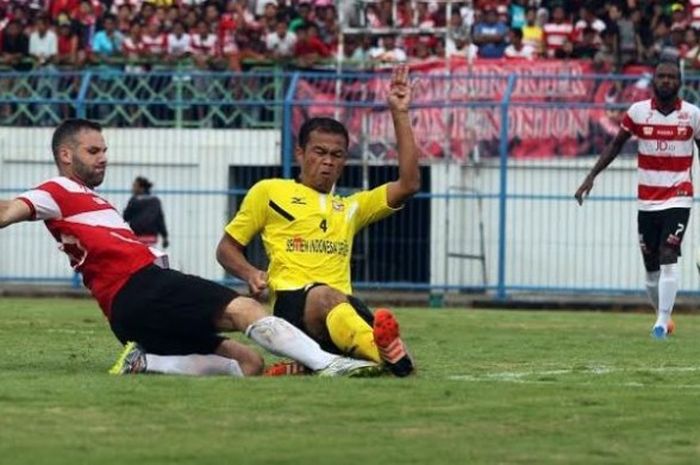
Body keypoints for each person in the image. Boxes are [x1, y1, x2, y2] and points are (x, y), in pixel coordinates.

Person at [0, 119, 378, 378]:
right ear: (66, 156)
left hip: (124, 314)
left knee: (249, 363)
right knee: (246, 309)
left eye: (104, 150)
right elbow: (10, 210)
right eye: (93, 150)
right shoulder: (56, 189)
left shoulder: (87, 199)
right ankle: (330, 364)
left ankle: (146, 362)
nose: (103, 157)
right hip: (142, 286)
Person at [216, 65, 420, 376]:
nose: (327, 162)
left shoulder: (351, 207)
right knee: (327, 297)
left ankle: (311, 365)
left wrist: (400, 113)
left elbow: (409, 185)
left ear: (344, 161)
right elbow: (226, 249)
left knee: (394, 362)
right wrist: (250, 273)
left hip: (343, 308)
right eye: (319, 152)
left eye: (336, 155)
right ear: (300, 152)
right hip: (292, 305)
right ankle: (379, 356)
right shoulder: (270, 191)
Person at [574, 60, 700, 339]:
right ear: (654, 81)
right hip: (647, 199)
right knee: (651, 268)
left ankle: (660, 324)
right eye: (662, 76)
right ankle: (663, 316)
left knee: (669, 256)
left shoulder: (693, 115)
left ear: (679, 82)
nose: (666, 80)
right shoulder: (638, 112)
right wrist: (591, 175)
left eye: (671, 77)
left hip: (679, 196)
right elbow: (615, 145)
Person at [124, 176, 169, 249]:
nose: (132, 189)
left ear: (142, 188)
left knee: (138, 258)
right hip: (151, 238)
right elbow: (160, 220)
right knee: (150, 258)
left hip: (136, 237)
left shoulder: (133, 200)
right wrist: (165, 236)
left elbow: (125, 217)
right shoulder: (155, 201)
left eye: (135, 186)